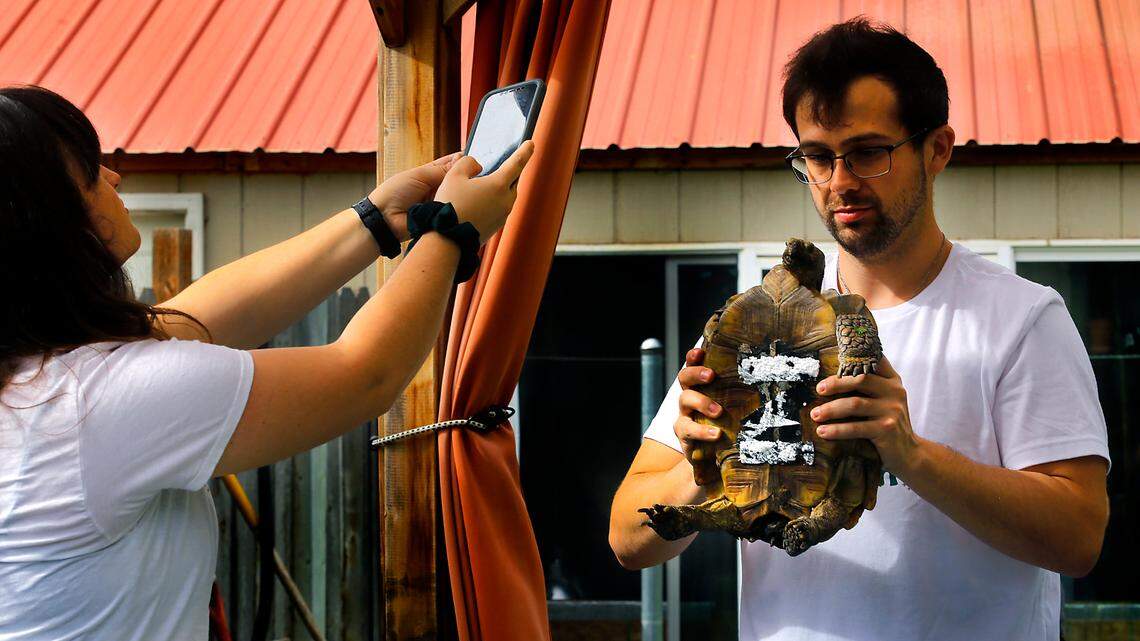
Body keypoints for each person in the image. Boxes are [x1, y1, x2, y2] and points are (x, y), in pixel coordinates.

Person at [609, 18, 1110, 641]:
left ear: (937, 149)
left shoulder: (1020, 319)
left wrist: (911, 454)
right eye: (818, 157)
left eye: (869, 152)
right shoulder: (760, 325)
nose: (840, 182)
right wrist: (709, 463)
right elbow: (627, 539)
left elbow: (1079, 538)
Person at [0, 85, 533, 640]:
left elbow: (192, 319)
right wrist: (450, 231)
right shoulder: (95, 404)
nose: (113, 176)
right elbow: (364, 374)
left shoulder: (35, 379)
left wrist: (375, 220)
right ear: (44, 217)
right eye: (89, 169)